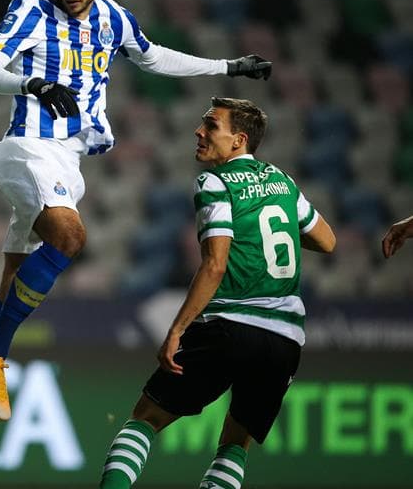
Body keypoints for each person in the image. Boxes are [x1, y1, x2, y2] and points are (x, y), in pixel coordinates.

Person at [0, 0, 274, 486]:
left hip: (68, 163)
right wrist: (34, 83)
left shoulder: (113, 18)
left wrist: (227, 63)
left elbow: (154, 57)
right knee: (69, 238)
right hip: (25, 148)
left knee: (7, 293)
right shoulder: (31, 11)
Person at [97, 97, 336, 489]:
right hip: (284, 340)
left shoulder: (215, 183)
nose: (199, 131)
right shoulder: (282, 181)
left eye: (210, 125)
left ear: (238, 140)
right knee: (234, 445)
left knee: (144, 420)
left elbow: (214, 265)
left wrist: (176, 330)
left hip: (229, 326)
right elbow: (326, 241)